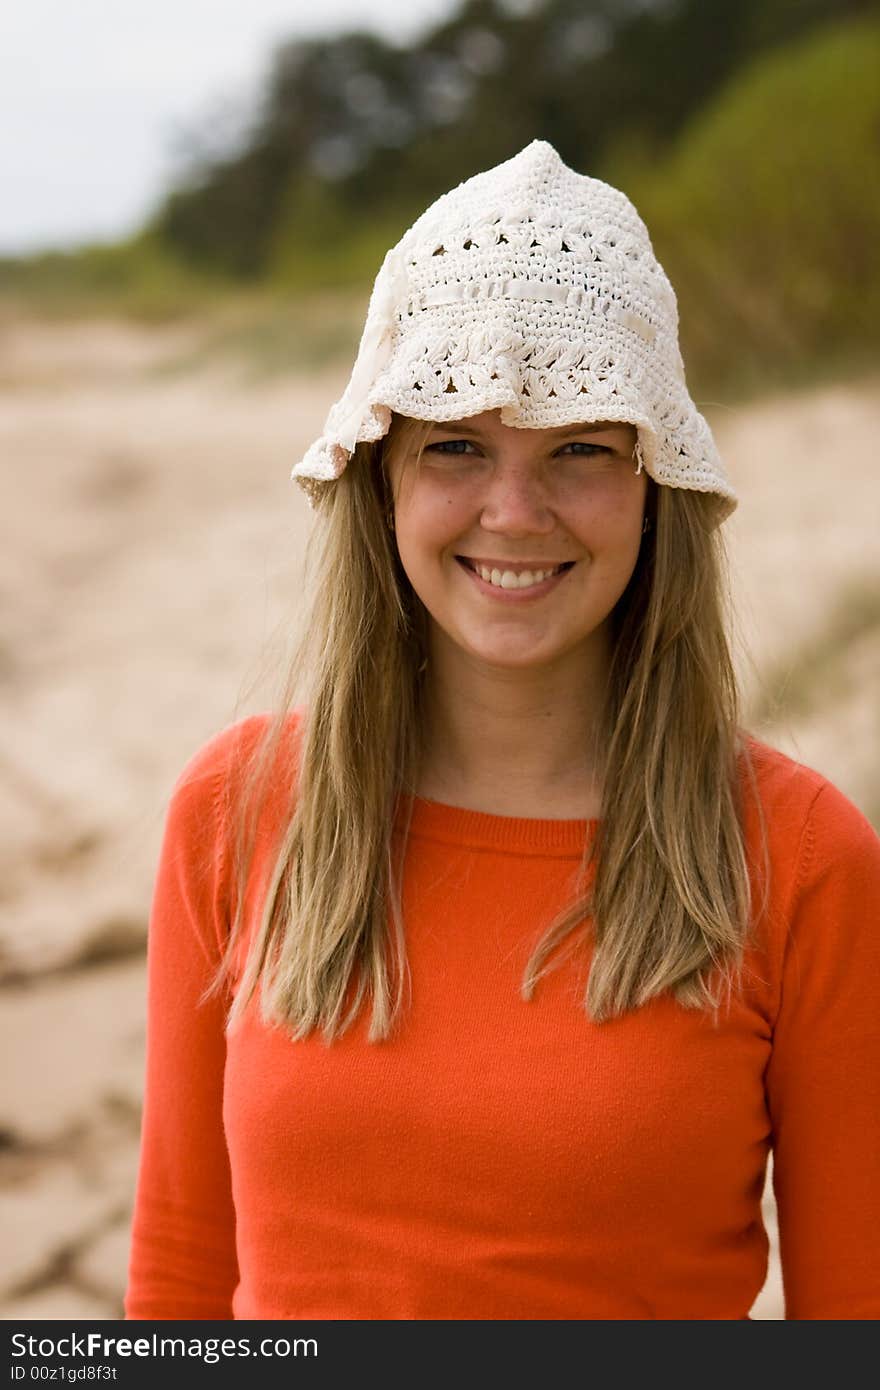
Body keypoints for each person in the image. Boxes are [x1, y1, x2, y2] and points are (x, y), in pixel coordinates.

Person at [124, 140, 880, 1321]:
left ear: (652, 485)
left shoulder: (800, 859)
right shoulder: (235, 811)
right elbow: (177, 1281)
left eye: (579, 448)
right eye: (455, 445)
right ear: (383, 481)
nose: (513, 513)